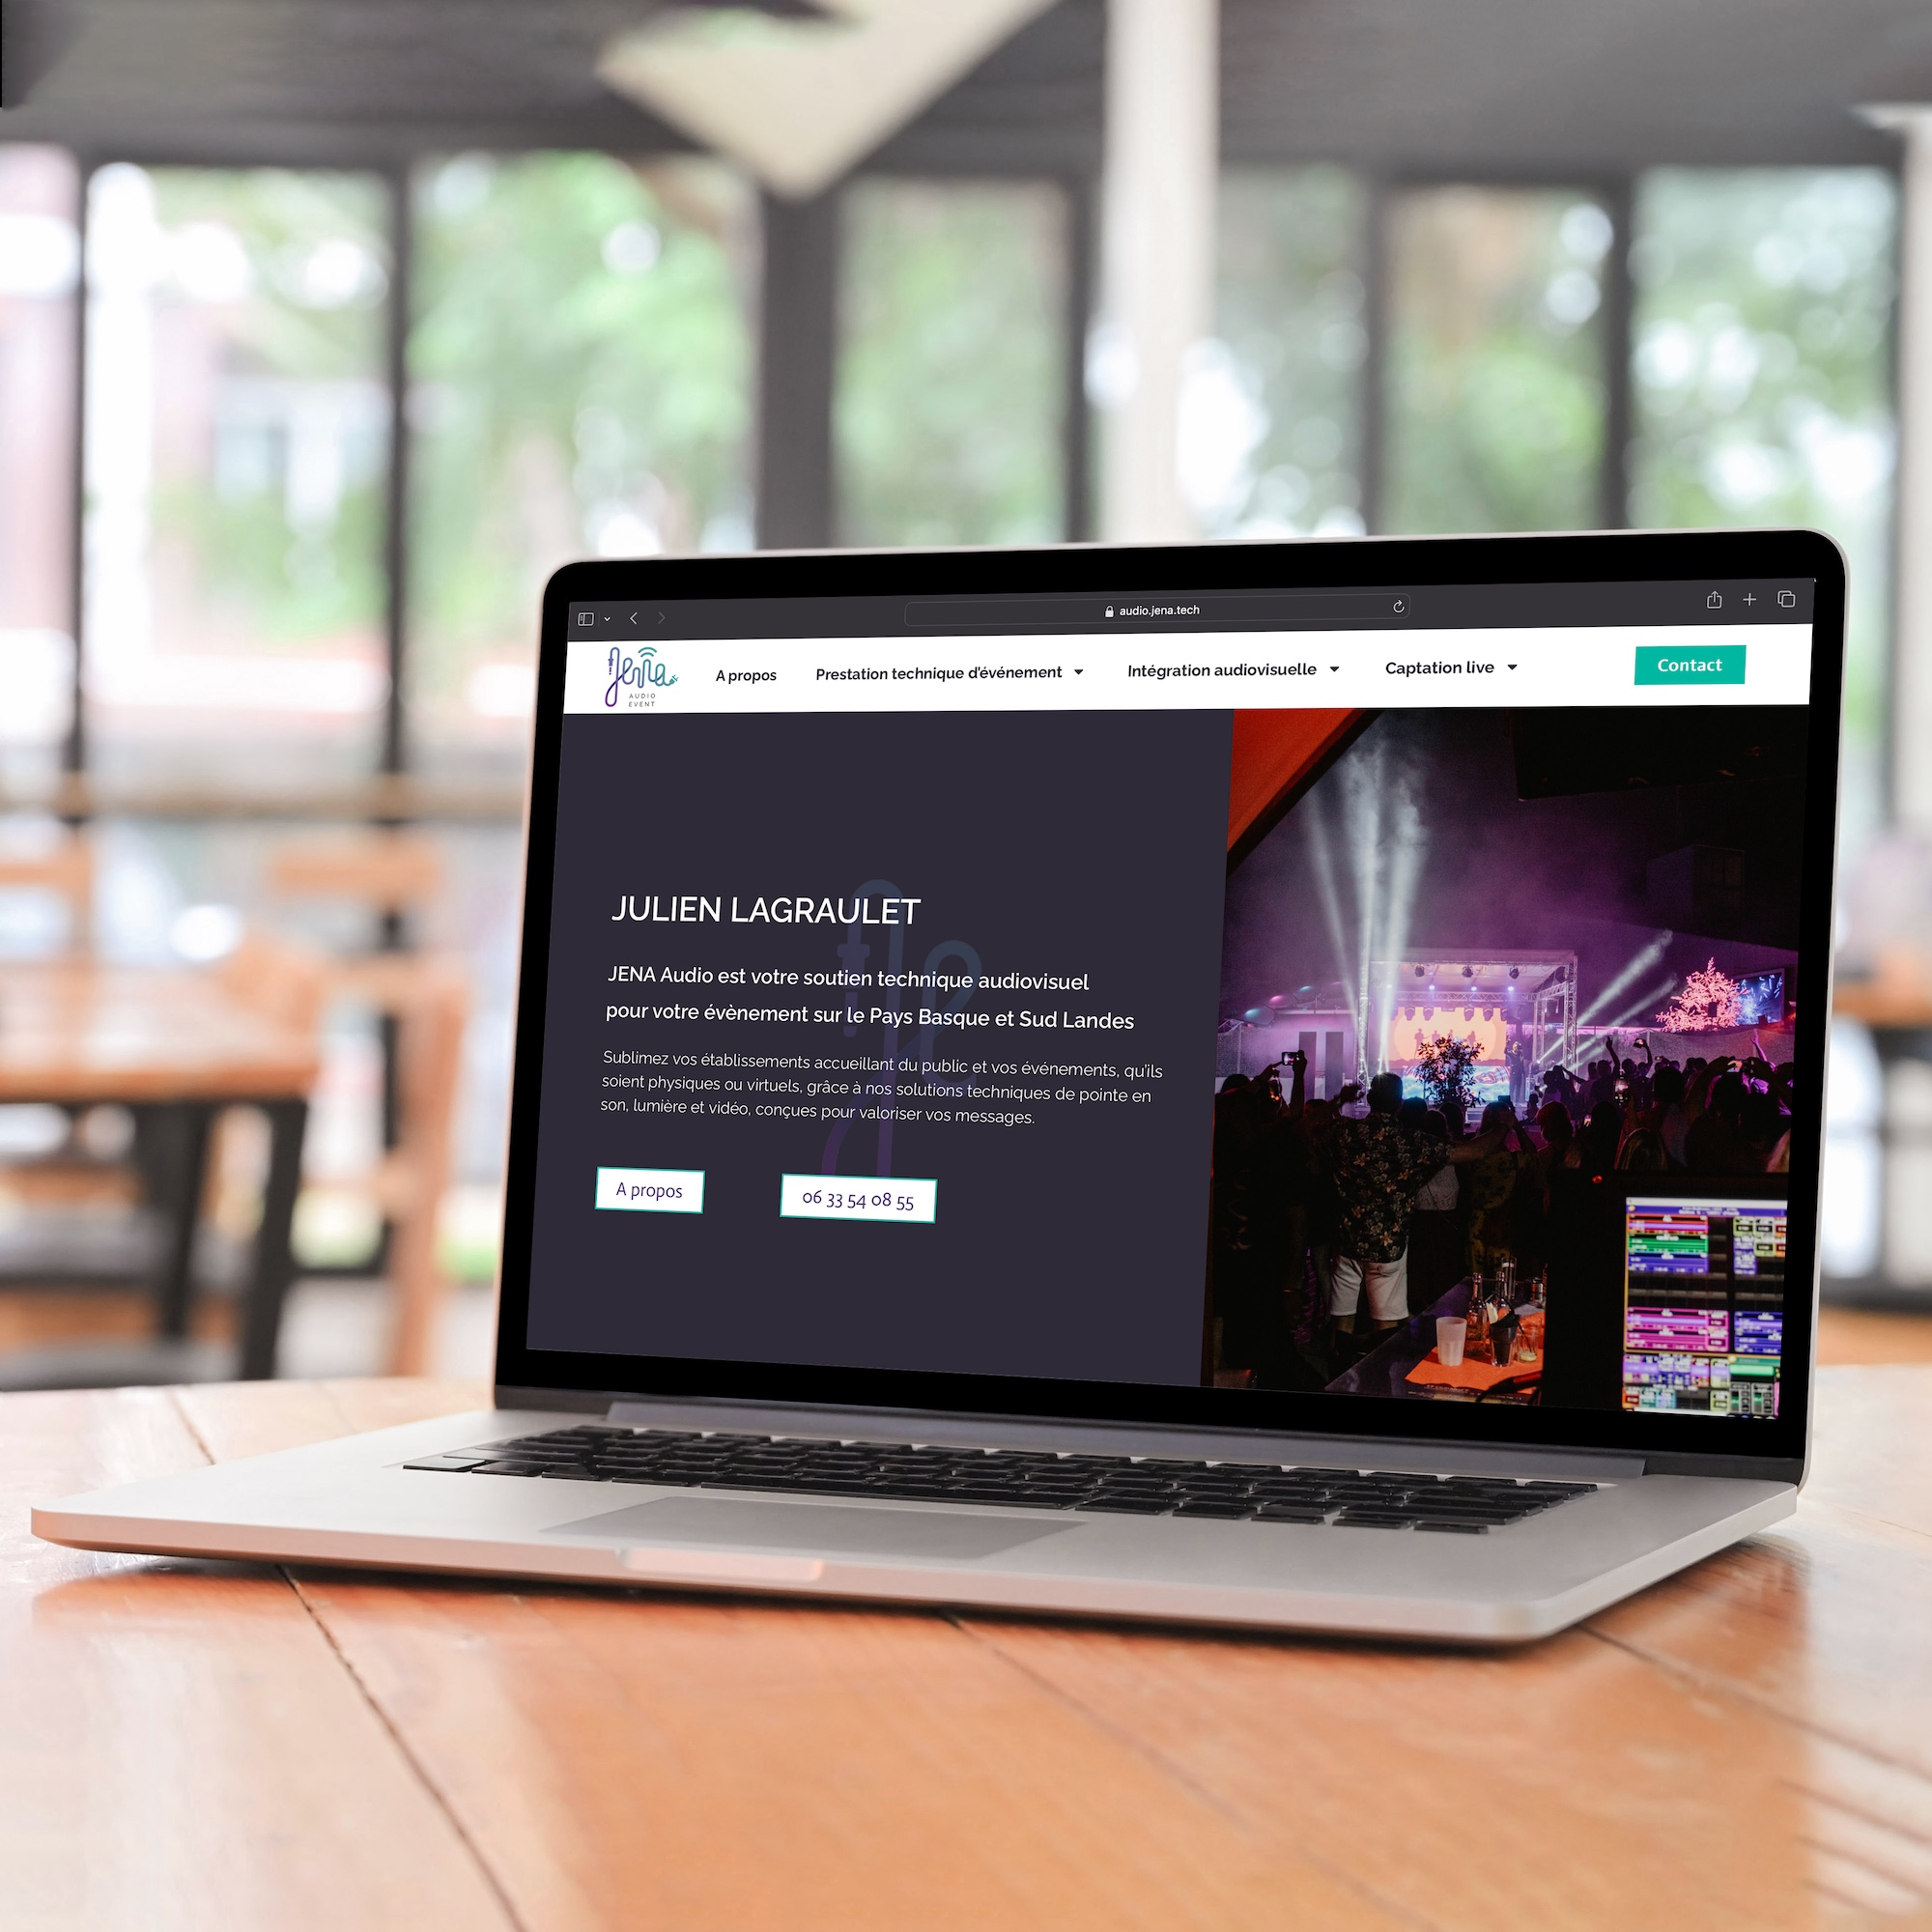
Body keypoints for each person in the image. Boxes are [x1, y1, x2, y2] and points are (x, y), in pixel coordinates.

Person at [1321, 1071, 1507, 1348]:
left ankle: (1336, 1380)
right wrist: (1504, 1126)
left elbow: (1307, 1124)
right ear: (1399, 1104)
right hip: (1387, 1249)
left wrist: (1339, 1100)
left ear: (1370, 1099)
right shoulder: (1411, 1142)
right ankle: (1376, 1384)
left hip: (1347, 1243)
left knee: (1341, 1323)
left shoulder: (1345, 1132)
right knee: (1384, 1326)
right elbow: (1475, 1152)